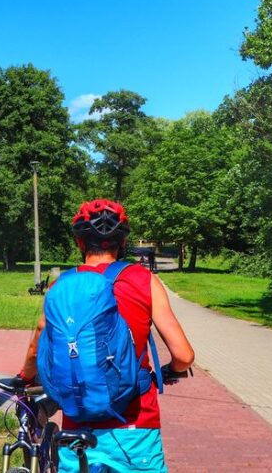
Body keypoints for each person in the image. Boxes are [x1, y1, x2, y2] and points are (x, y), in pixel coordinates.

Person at [19, 199, 195, 473]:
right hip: (136, 424)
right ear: (122, 242)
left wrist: (25, 378)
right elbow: (184, 356)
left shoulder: (60, 286)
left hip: (78, 425)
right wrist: (170, 371)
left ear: (80, 242)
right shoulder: (143, 279)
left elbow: (37, 345)